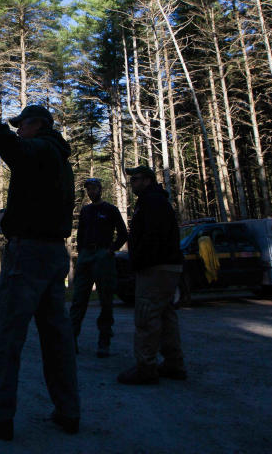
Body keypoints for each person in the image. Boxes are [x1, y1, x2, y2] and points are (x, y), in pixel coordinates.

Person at [0, 88, 80, 441]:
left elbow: (12, 150)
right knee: (57, 338)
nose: (17, 130)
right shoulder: (59, 158)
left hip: (27, 256)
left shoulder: (41, 148)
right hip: (53, 255)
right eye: (15, 125)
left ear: (38, 125)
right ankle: (68, 412)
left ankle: (0, 417)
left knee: (6, 338)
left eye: (21, 125)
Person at [117, 165, 187, 385]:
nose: (132, 183)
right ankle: (173, 363)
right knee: (166, 315)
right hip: (165, 266)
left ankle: (146, 367)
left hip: (156, 267)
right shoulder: (154, 201)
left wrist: (139, 261)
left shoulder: (152, 202)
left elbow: (151, 237)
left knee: (146, 315)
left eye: (136, 179)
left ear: (147, 180)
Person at [69, 177, 128, 358]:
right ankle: (71, 341)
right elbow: (80, 234)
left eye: (93, 188)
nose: (90, 192)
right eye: (88, 189)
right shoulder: (86, 211)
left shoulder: (110, 210)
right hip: (86, 256)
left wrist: (111, 250)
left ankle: (104, 341)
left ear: (100, 189)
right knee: (79, 299)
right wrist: (81, 251)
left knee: (106, 299)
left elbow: (123, 233)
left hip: (103, 256)